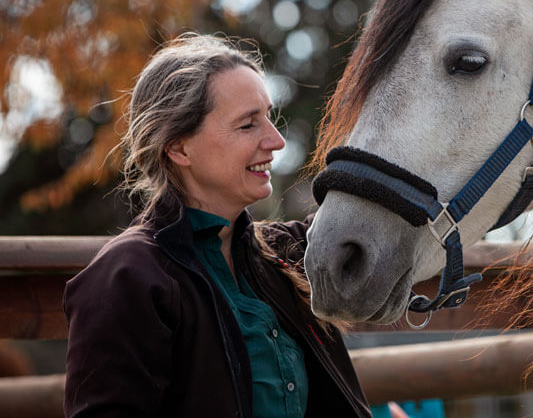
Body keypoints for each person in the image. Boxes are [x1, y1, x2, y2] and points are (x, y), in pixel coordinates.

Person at [63, 33, 371, 418]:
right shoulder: (125, 278)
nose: (275, 140)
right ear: (179, 148)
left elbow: (370, 213)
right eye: (247, 125)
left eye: (269, 117)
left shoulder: (282, 254)